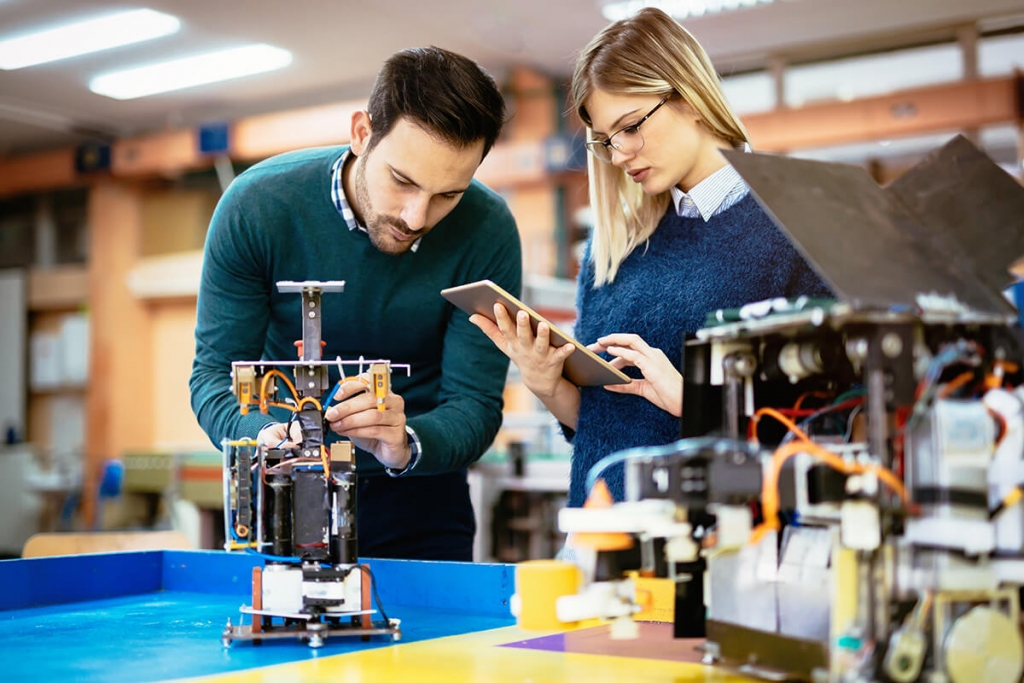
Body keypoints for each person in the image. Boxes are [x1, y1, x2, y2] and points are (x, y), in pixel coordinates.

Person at [470, 8, 831, 508]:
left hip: (712, 547)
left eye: (631, 126)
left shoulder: (796, 227)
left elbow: (826, 421)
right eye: (605, 140)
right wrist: (547, 383)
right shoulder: (612, 247)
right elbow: (598, 427)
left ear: (690, 98)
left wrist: (694, 403)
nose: (618, 155)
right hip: (598, 537)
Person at [189, 46, 522, 561]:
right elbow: (213, 377)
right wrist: (267, 436)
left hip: (423, 498)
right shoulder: (257, 208)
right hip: (287, 486)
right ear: (362, 133)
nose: (416, 217)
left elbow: (474, 405)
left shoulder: (487, 229)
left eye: (447, 195)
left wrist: (406, 441)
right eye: (403, 181)